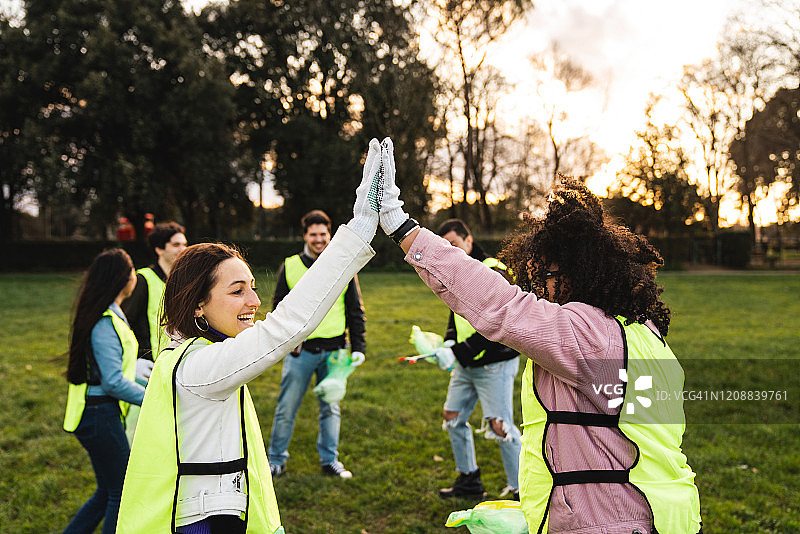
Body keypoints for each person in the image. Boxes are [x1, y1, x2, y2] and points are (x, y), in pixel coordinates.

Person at [377, 138, 702, 534]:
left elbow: (500, 305)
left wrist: (403, 228)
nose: (543, 288)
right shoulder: (647, 334)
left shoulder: (588, 334)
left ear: (575, 272)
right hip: (670, 516)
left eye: (547, 274)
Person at [116, 139, 383, 534]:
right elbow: (287, 324)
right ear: (197, 306)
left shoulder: (191, 350)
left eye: (253, 286)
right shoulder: (201, 366)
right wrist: (361, 229)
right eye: (237, 290)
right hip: (207, 524)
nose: (255, 301)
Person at [267, 209, 366, 480]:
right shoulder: (289, 266)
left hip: (335, 353)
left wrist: (359, 347)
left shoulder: (342, 265)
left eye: (323, 234)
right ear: (305, 236)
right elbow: (278, 310)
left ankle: (329, 461)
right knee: (287, 406)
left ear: (330, 234)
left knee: (330, 408)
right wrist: (287, 344)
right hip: (302, 352)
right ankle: (275, 460)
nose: (319, 239)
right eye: (314, 234)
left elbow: (355, 310)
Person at [62, 248, 153, 534]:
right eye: (131, 270)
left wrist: (143, 379)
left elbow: (115, 373)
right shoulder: (105, 321)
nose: (135, 275)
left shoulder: (112, 314)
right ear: (122, 278)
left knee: (107, 490)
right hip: (100, 416)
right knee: (120, 492)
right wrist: (153, 399)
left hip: (100, 414)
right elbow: (113, 382)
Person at [430, 218, 522, 501]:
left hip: (495, 363)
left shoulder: (494, 270)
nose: (450, 252)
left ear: (469, 241)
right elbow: (454, 314)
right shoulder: (455, 272)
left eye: (454, 245)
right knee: (452, 417)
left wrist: (456, 351)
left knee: (501, 426)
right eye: (445, 247)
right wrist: (449, 339)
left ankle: (523, 492)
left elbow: (496, 326)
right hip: (466, 363)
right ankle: (469, 480)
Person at [122, 221, 188, 361]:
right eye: (176, 245)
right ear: (159, 249)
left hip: (173, 361)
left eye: (184, 245)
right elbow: (126, 321)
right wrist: (137, 358)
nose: (182, 249)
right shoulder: (143, 279)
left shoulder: (184, 281)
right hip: (147, 362)